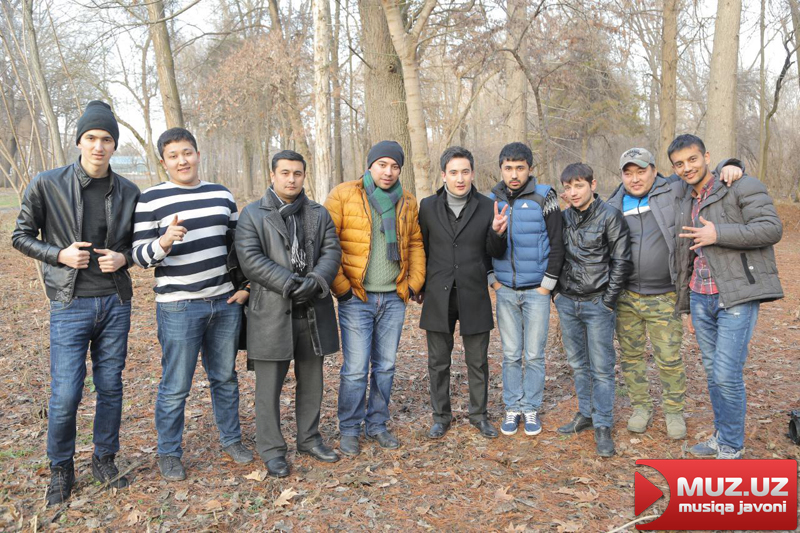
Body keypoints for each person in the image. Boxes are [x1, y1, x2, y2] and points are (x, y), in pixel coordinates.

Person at [11, 101, 140, 506]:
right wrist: (59, 254)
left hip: (115, 302)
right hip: (70, 304)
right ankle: (61, 467)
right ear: (79, 141)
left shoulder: (129, 191)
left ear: (114, 145)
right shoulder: (47, 184)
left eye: (106, 139)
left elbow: (138, 246)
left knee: (111, 386)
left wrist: (124, 258)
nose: (98, 146)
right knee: (66, 393)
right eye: (91, 138)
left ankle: (104, 458)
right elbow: (20, 235)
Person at [132, 128, 252, 481]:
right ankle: (169, 453)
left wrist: (245, 287)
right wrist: (164, 242)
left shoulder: (222, 195)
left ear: (197, 154)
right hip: (179, 306)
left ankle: (231, 440)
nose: (182, 161)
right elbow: (139, 256)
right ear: (163, 162)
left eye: (187, 153)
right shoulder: (150, 199)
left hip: (224, 302)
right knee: (176, 385)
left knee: (225, 378)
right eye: (173, 156)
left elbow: (240, 249)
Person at [607, 148, 744, 440]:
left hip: (664, 294)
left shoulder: (674, 190)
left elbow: (700, 174)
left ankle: (673, 411)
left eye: (641, 171)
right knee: (631, 357)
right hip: (626, 296)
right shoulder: (614, 203)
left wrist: (730, 163)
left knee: (668, 358)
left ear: (654, 170)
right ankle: (641, 407)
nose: (635, 178)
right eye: (628, 173)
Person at [670, 134, 783, 459]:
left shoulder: (739, 185)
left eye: (692, 159)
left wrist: (718, 233)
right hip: (700, 296)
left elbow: (771, 228)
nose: (687, 167)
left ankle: (732, 446)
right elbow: (686, 254)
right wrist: (687, 306)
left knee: (726, 373)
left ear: (707, 157)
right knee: (712, 372)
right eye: (679, 164)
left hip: (734, 295)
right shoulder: (684, 197)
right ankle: (721, 436)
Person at [236, 150, 342, 477]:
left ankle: (309, 439)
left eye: (297, 173)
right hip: (271, 312)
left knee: (312, 381)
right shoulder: (252, 214)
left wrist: (316, 281)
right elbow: (250, 259)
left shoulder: (318, 213)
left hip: (312, 310)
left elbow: (331, 251)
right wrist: (289, 283)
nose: (291, 179)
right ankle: (272, 450)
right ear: (273, 175)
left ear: (303, 176)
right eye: (285, 173)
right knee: (268, 387)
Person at [324, 140, 425, 456]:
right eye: (382, 165)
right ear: (370, 166)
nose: (388, 172)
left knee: (386, 367)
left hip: (393, 298)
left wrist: (413, 283)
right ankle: (350, 429)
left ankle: (377, 424)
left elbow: (415, 243)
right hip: (357, 297)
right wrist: (341, 288)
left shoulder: (407, 201)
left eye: (395, 166)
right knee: (355, 368)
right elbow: (327, 242)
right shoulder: (344, 194)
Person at [418, 146, 508, 440]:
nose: (460, 178)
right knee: (438, 362)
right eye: (454, 172)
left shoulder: (487, 206)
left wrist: (497, 232)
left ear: (472, 174)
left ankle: (478, 415)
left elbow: (494, 253)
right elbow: (423, 249)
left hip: (473, 293)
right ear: (443, 175)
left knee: (477, 361)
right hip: (438, 295)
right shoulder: (428, 207)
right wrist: (421, 286)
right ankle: (440, 417)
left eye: (465, 172)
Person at [554, 163, 632, 457]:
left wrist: (608, 300)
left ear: (593, 185)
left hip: (598, 302)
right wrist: (558, 294)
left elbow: (622, 261)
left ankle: (603, 423)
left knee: (601, 366)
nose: (573, 192)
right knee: (577, 363)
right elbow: (555, 254)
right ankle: (585, 413)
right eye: (568, 187)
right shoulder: (563, 218)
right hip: (568, 302)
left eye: (579, 186)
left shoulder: (610, 216)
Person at [488, 142, 565, 437]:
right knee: (510, 354)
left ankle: (530, 406)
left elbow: (557, 242)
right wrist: (493, 280)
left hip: (537, 292)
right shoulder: (491, 200)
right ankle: (512, 406)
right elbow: (483, 246)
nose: (514, 174)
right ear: (501, 169)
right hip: (505, 290)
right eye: (508, 168)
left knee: (533, 354)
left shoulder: (544, 196)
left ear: (530, 169)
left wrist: (547, 286)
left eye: (520, 168)